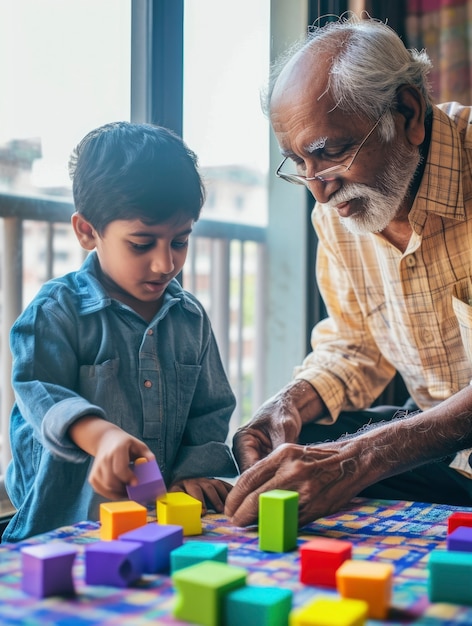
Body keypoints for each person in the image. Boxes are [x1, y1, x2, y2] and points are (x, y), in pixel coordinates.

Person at [224, 14, 472, 527]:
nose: (318, 189)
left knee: (348, 457)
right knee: (294, 450)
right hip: (452, 458)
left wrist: (363, 458)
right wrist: (286, 404)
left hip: (452, 444)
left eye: (329, 153)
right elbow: (353, 346)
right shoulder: (334, 217)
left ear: (408, 112)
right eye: (297, 163)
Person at [3, 122, 238, 542]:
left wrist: (196, 471)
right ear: (87, 232)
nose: (165, 264)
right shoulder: (57, 311)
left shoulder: (190, 319)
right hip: (64, 532)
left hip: (158, 531)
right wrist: (101, 434)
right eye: (141, 244)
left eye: (180, 241)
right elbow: (39, 392)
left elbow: (210, 411)